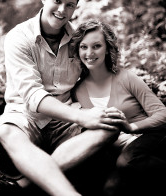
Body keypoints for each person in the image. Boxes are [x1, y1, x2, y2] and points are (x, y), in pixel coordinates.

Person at [0, 0, 125, 196]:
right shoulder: (19, 37)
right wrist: (83, 117)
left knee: (110, 124)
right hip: (25, 116)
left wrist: (95, 110)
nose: (62, 10)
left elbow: (98, 75)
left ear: (75, 9)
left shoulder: (78, 41)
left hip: (66, 121)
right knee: (5, 129)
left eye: (70, 5)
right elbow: (33, 96)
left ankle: (22, 185)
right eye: (57, 0)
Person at [70, 19, 166, 196]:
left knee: (127, 162)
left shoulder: (126, 78)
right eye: (83, 47)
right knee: (110, 189)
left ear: (107, 48)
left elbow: (163, 114)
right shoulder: (78, 91)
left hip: (147, 139)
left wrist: (131, 127)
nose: (89, 53)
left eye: (96, 46)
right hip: (114, 153)